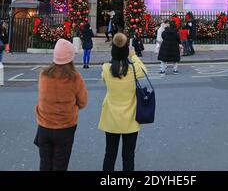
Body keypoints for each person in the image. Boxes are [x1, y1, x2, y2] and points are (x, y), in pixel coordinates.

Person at [34, 38, 88, 171]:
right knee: (60, 166)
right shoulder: (75, 78)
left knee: (45, 165)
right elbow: (83, 102)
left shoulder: (43, 75)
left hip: (44, 127)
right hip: (65, 128)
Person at [99, 33, 147, 171]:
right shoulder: (133, 69)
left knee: (109, 154)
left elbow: (104, 79)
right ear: (126, 51)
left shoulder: (106, 69)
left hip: (111, 118)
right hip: (130, 119)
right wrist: (133, 56)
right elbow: (144, 70)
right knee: (128, 156)